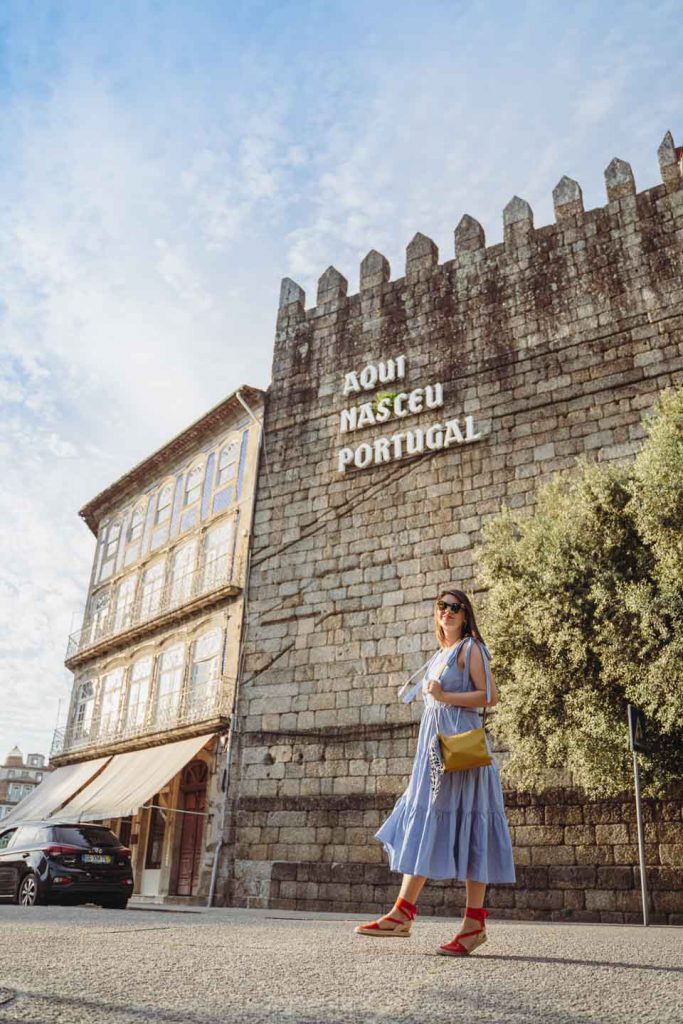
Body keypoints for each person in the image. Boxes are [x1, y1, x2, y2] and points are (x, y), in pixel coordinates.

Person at [355, 587, 516, 956]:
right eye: (442, 606)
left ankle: (473, 924)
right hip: (434, 753)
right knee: (426, 819)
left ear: (466, 614)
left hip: (462, 752)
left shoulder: (471, 648)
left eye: (456, 607)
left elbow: (489, 696)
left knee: (473, 826)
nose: (448, 611)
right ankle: (402, 913)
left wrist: (444, 696)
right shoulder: (439, 654)